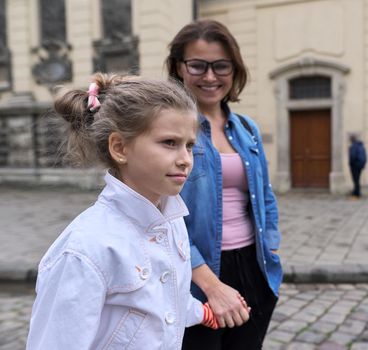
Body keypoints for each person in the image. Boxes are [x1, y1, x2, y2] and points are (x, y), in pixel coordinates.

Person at [26, 73, 228, 349]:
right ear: (120, 147)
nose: (185, 160)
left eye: (189, 145)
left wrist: (198, 312)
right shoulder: (85, 250)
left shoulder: (172, 222)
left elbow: (165, 296)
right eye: (169, 143)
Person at [166, 19, 282, 349]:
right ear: (179, 67)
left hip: (253, 266)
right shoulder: (169, 127)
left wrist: (270, 246)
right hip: (197, 275)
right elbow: (161, 217)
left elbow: (265, 196)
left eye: (221, 66)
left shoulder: (246, 128)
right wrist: (210, 284)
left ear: (234, 69)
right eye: (198, 66)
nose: (211, 76)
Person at [348, 134, 367, 199]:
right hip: (360, 165)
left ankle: (356, 193)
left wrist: (350, 164)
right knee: (357, 179)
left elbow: (352, 156)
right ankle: (356, 192)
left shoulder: (353, 146)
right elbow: (365, 156)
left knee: (355, 180)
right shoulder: (361, 146)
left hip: (355, 165)